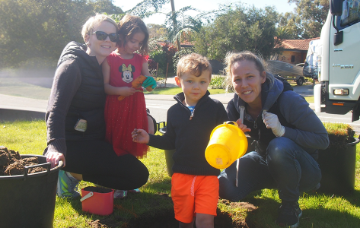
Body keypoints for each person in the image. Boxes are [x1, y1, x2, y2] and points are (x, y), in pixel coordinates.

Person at [218, 51, 329, 228]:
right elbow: (231, 149)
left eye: (250, 77)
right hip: (264, 160)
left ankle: (290, 205)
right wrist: (233, 136)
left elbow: (322, 140)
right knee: (223, 187)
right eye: (238, 79)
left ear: (263, 77)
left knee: (279, 146)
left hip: (303, 170)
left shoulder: (288, 100)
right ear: (232, 82)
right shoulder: (235, 106)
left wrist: (283, 131)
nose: (244, 85)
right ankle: (258, 187)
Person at [44, 14, 149, 198]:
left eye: (113, 36)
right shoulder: (72, 66)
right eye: (101, 35)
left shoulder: (104, 66)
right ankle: (69, 173)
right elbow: (55, 110)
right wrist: (55, 147)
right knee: (135, 175)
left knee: (138, 175)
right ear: (87, 38)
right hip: (73, 145)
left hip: (97, 140)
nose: (108, 40)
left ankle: (77, 172)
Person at [132, 53, 228, 228]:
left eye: (202, 82)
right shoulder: (174, 111)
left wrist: (234, 130)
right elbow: (170, 142)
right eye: (190, 81)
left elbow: (225, 134)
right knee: (184, 221)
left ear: (209, 81)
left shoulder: (215, 108)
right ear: (178, 81)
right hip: (181, 176)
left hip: (208, 175)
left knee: (205, 220)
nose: (196, 87)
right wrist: (148, 139)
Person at [101, 15, 157, 197]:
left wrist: (150, 84)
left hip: (135, 107)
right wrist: (121, 91)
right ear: (122, 35)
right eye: (133, 40)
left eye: (139, 43)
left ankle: (130, 181)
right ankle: (116, 181)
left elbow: (149, 84)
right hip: (116, 107)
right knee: (116, 142)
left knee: (132, 140)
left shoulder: (141, 60)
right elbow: (106, 87)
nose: (136, 45)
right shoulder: (109, 59)